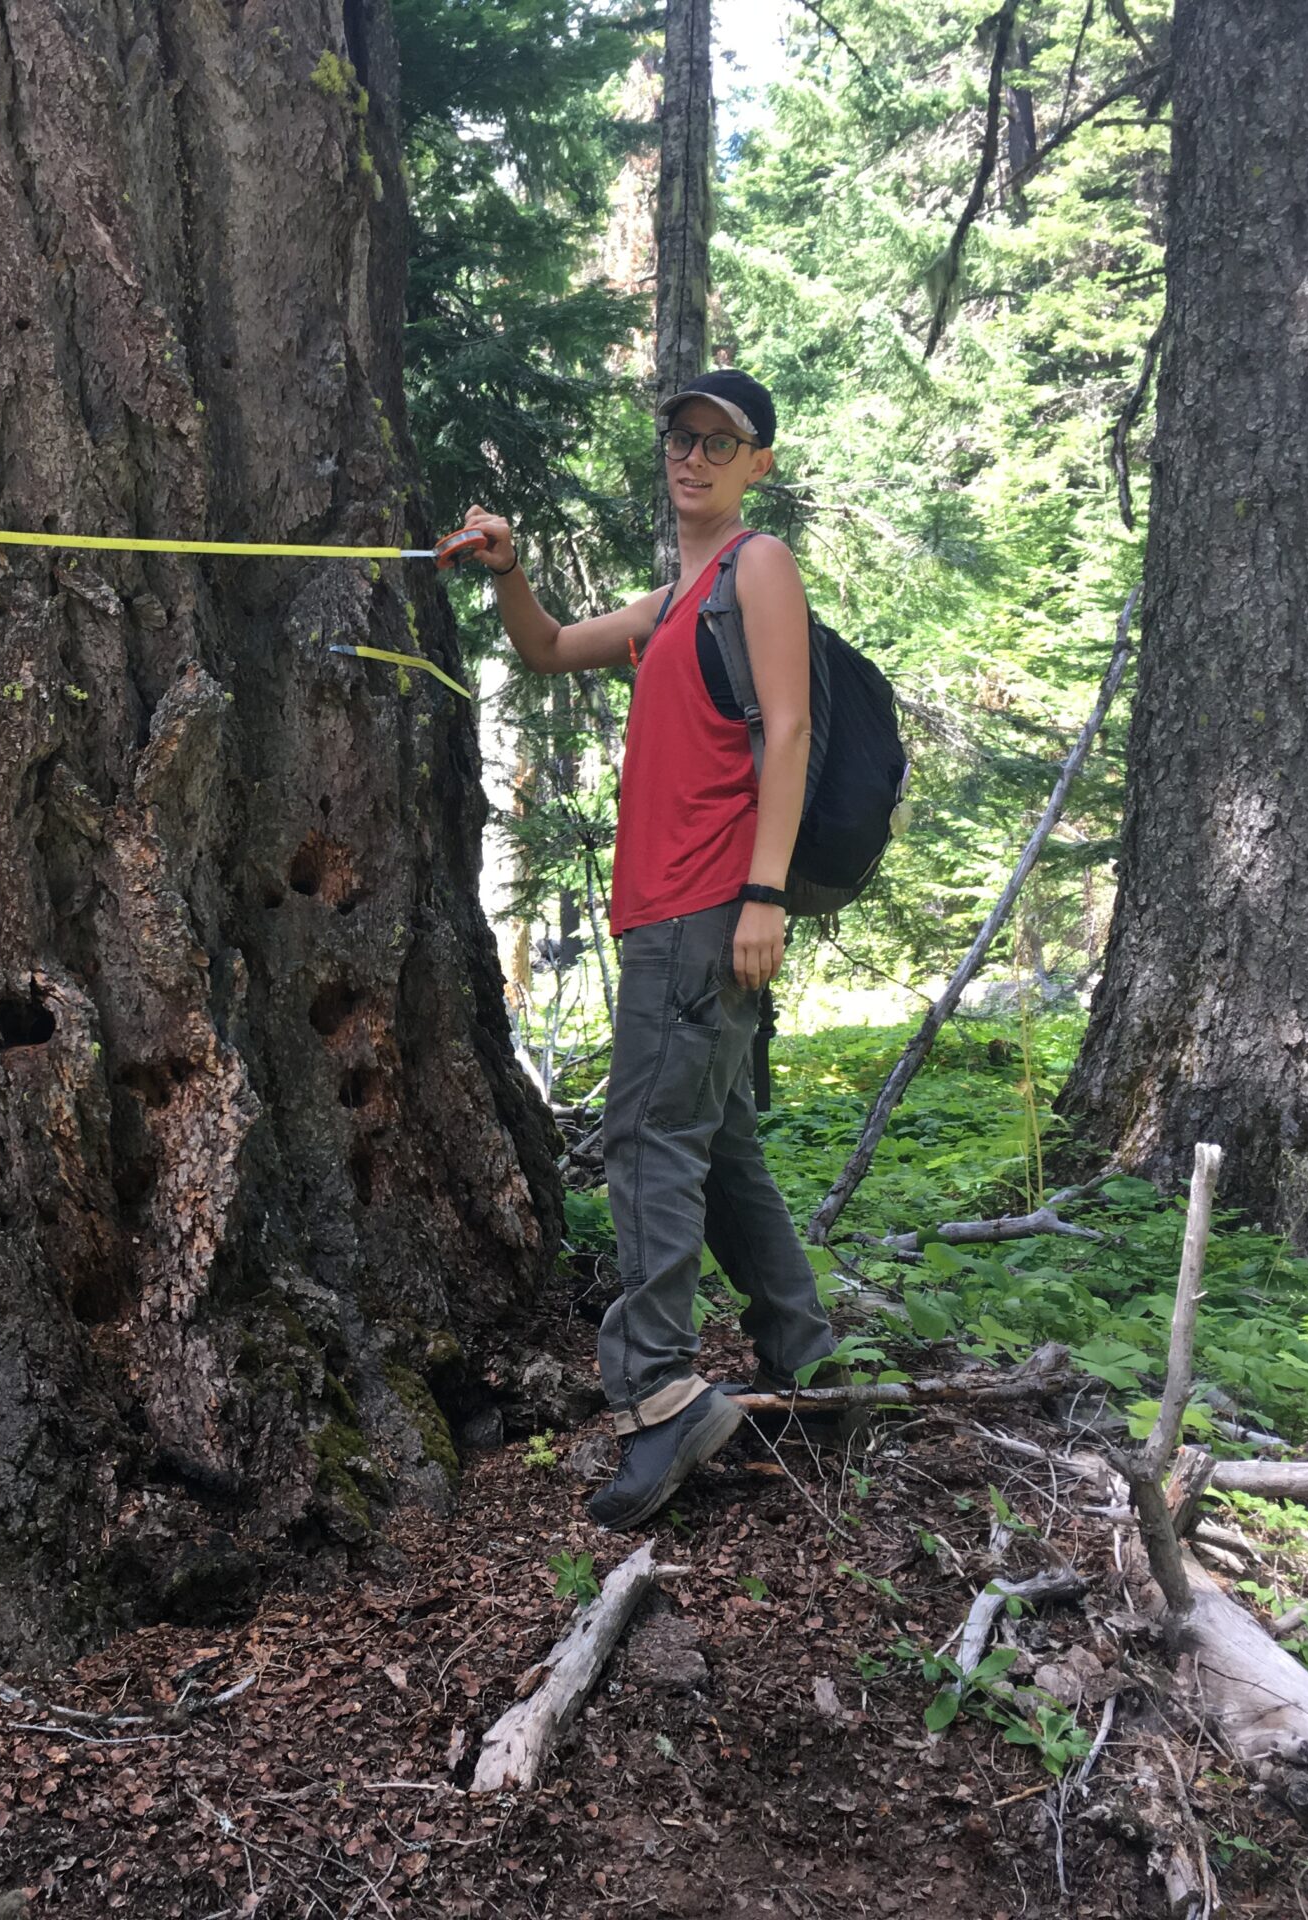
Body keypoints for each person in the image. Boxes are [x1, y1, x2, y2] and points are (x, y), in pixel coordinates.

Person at [450, 368, 838, 1530]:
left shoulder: (755, 566)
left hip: (706, 902)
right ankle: (802, 1350)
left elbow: (791, 725)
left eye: (720, 443)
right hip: (672, 909)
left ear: (757, 464)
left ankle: (662, 1393)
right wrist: (509, 568)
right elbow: (550, 649)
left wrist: (762, 892)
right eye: (680, 437)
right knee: (713, 1141)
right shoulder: (672, 600)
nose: (693, 457)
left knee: (645, 1138)